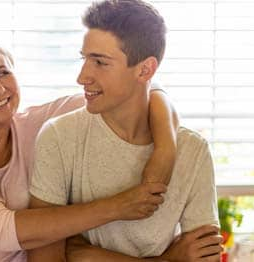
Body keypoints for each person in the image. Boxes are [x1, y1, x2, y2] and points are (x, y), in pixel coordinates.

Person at [0, 30, 180, 261]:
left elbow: (137, 89)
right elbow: (0, 230)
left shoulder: (38, 126)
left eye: (2, 73)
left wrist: (165, 150)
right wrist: (119, 206)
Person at [28, 0, 222, 261]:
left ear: (145, 69)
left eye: (100, 62)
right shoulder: (59, 137)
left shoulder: (193, 150)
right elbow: (45, 257)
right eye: (84, 58)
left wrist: (83, 254)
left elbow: (203, 255)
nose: (82, 77)